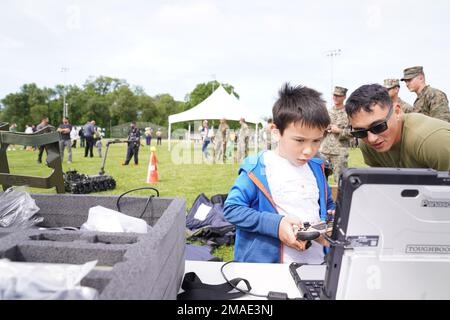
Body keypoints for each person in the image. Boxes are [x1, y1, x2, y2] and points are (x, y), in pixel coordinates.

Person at [224, 83, 335, 264]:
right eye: (299, 140)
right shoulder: (257, 169)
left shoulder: (317, 168)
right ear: (276, 132)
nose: (309, 150)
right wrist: (276, 225)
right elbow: (232, 209)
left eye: (316, 140)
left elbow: (327, 204)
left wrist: (330, 223)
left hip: (316, 265)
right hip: (270, 271)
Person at [345, 84, 450, 170]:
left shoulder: (433, 141)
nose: (372, 139)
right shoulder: (366, 143)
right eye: (360, 132)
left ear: (397, 112)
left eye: (378, 127)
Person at [319, 86, 353, 184]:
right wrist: (324, 128)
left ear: (344, 97)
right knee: (321, 179)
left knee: (340, 181)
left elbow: (354, 132)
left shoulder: (349, 113)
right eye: (334, 95)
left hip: (339, 152)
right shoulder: (327, 112)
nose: (336, 97)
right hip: (324, 150)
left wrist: (339, 130)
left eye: (339, 96)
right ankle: (323, 199)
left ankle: (341, 199)